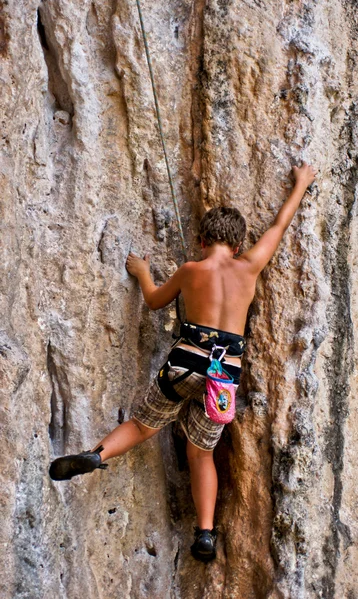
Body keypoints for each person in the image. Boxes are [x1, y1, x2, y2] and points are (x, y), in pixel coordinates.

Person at [49, 162, 317, 562]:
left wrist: (142, 272)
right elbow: (279, 226)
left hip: (183, 364)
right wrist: (301, 183)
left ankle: (96, 455)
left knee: (142, 425)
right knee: (200, 454)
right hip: (222, 378)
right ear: (239, 245)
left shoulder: (191, 270)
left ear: (201, 239)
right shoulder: (249, 267)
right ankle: (205, 534)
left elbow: (155, 301)